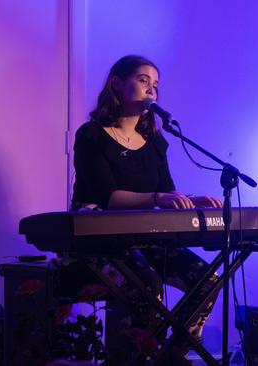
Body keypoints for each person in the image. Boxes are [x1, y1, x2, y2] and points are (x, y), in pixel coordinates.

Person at [70, 55, 222, 365]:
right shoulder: (92, 136)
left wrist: (192, 200)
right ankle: (138, 358)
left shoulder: (155, 142)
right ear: (116, 83)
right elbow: (107, 197)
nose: (151, 89)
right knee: (147, 283)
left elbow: (165, 193)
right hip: (101, 244)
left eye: (155, 85)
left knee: (208, 280)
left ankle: (170, 356)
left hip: (147, 241)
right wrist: (156, 197)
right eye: (143, 80)